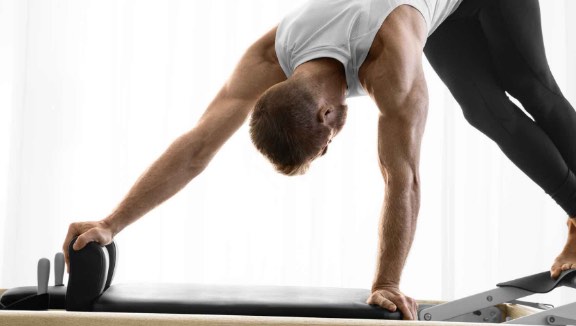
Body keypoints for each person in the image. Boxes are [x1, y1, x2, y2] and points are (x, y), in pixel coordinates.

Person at [63, 0, 576, 320]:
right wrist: (111, 223)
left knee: (532, 88)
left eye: (324, 146)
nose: (332, 144)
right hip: (435, 9)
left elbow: (403, 179)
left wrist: (387, 283)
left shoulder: (388, 63)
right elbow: (198, 146)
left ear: (328, 114)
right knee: (485, 113)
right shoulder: (272, 56)